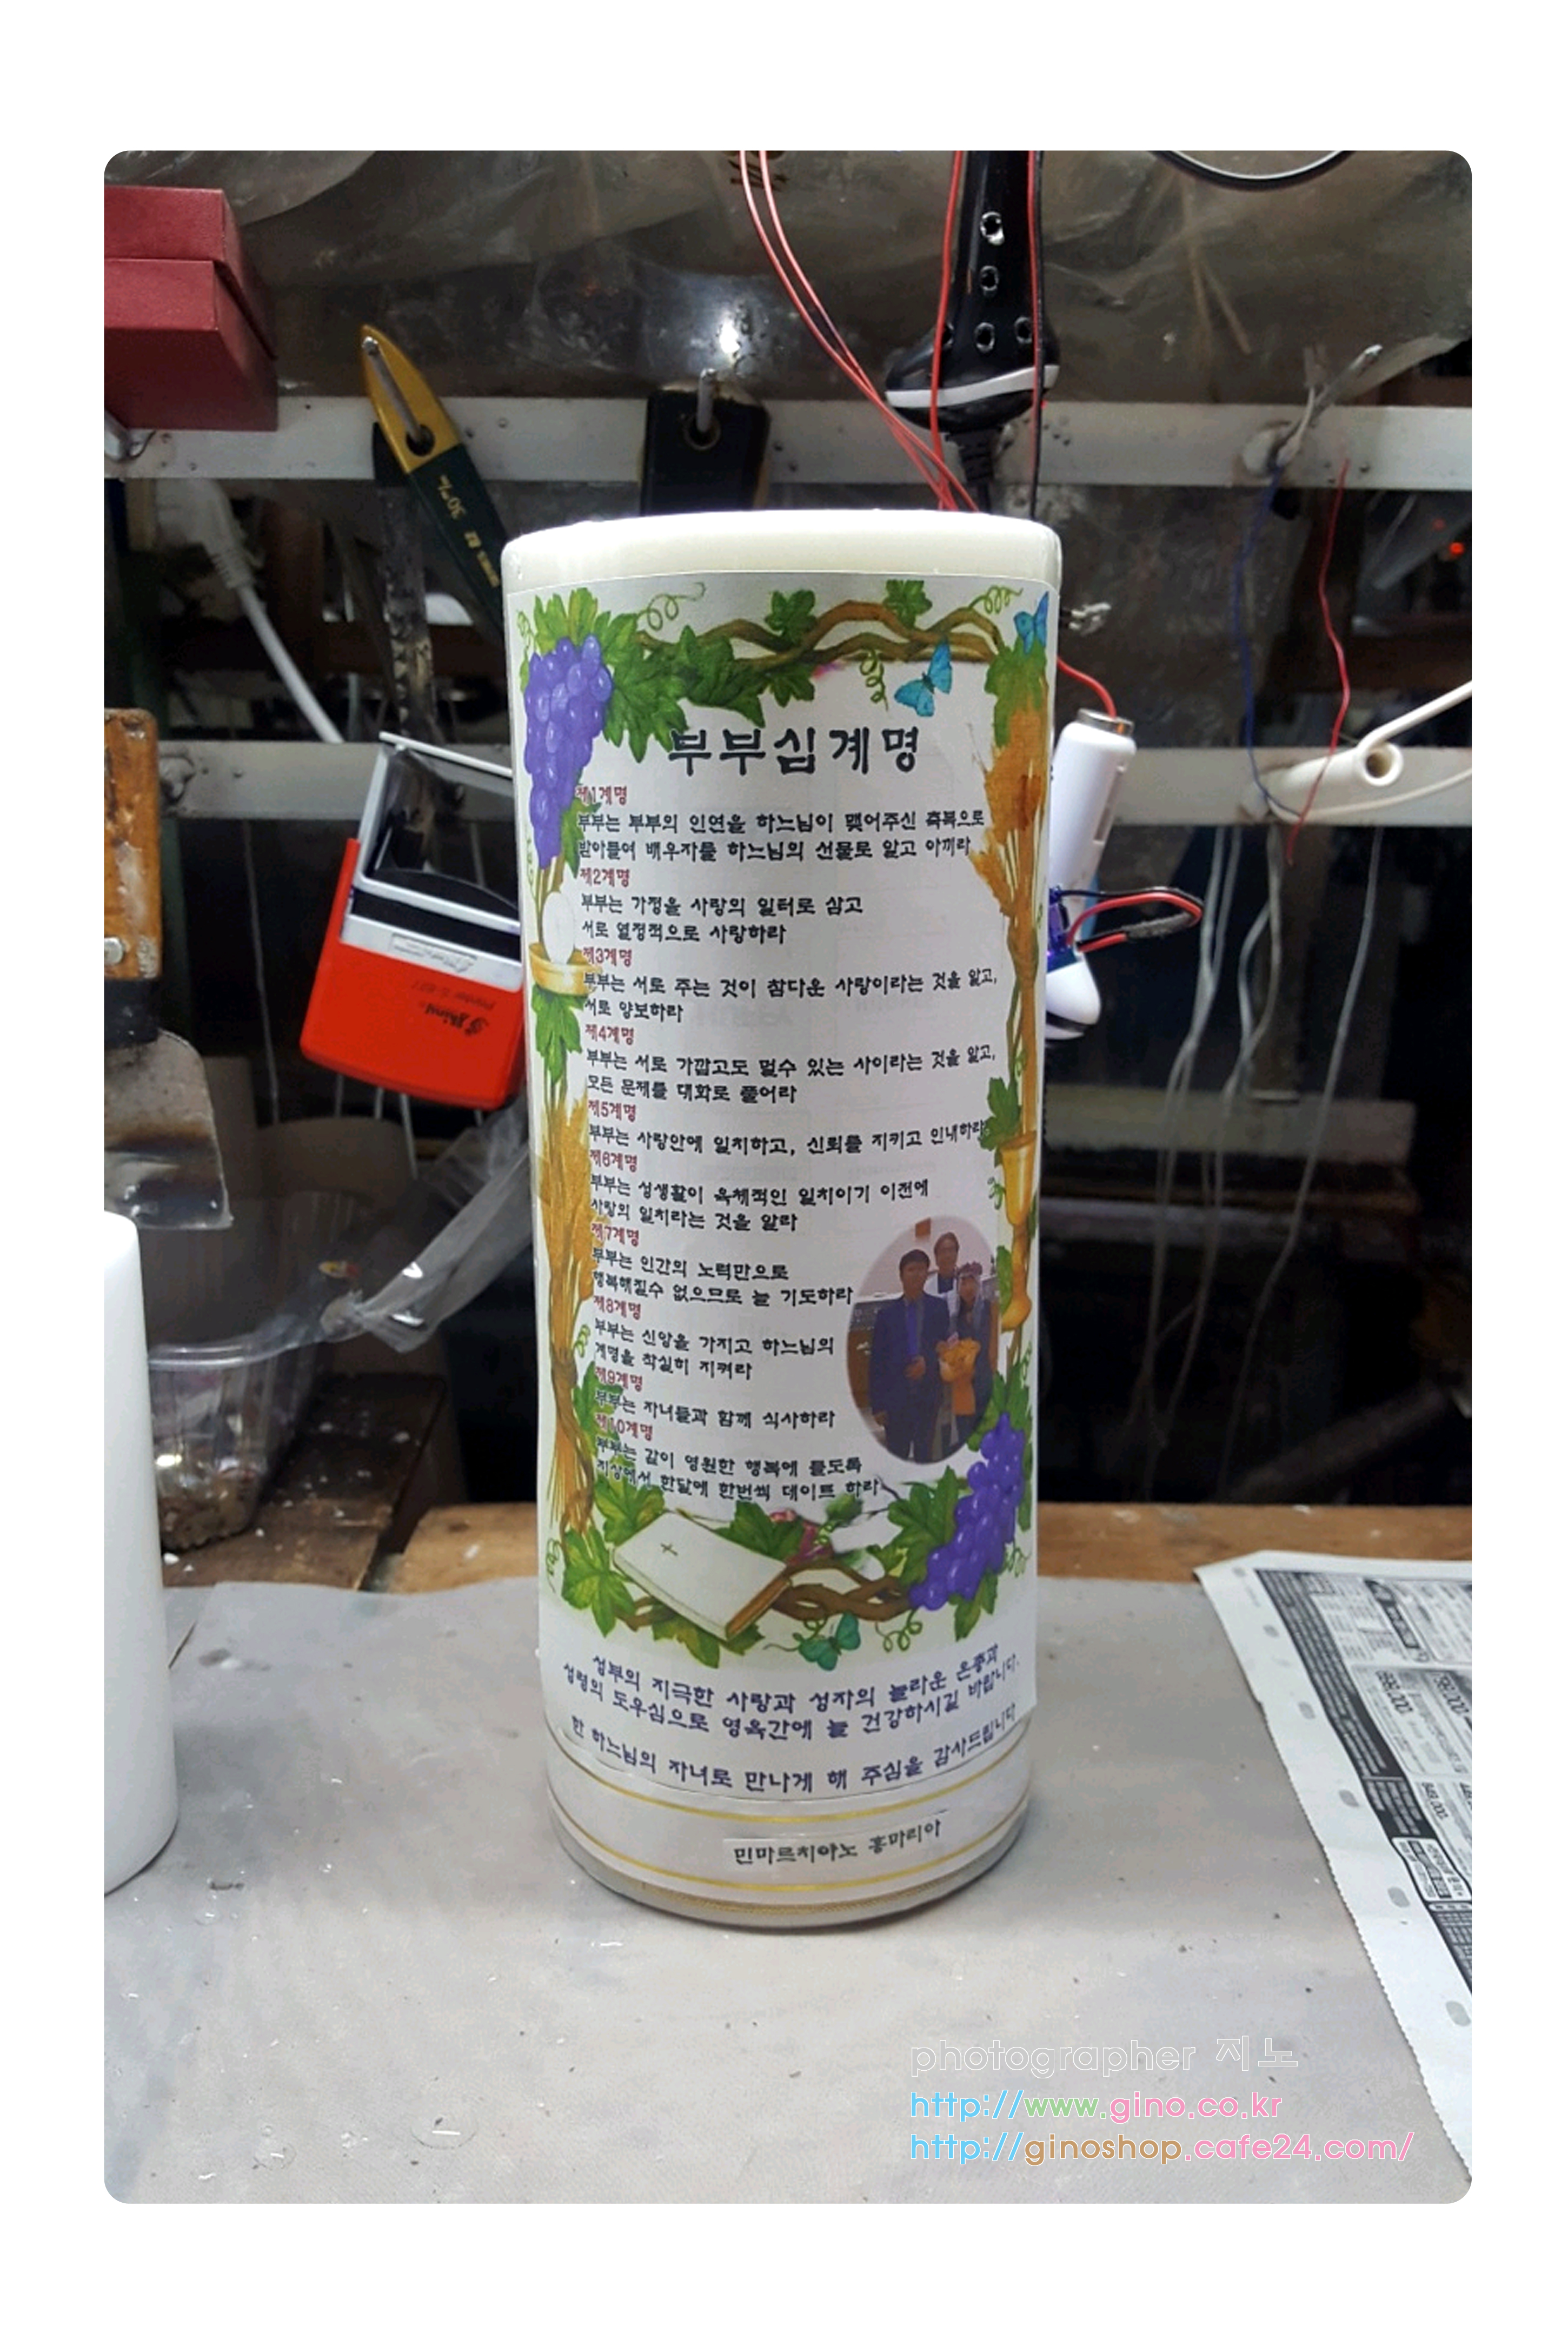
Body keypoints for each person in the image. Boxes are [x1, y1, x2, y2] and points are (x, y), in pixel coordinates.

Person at [869, 1248, 949, 1462]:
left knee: (925, 1455)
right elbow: (877, 1361)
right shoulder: (887, 1315)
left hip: (927, 1396)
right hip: (896, 1399)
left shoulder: (939, 1308)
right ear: (902, 1275)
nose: (916, 1274)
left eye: (922, 1269)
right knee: (897, 1455)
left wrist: (928, 1363)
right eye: (911, 1269)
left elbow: (946, 1350)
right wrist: (878, 1405)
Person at [945, 1261, 996, 1447]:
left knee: (986, 1432)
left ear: (978, 1284)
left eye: (971, 1282)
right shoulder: (954, 1317)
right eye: (963, 1283)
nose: (968, 1288)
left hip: (985, 1378)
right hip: (963, 1385)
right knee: (965, 1434)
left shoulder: (990, 1310)